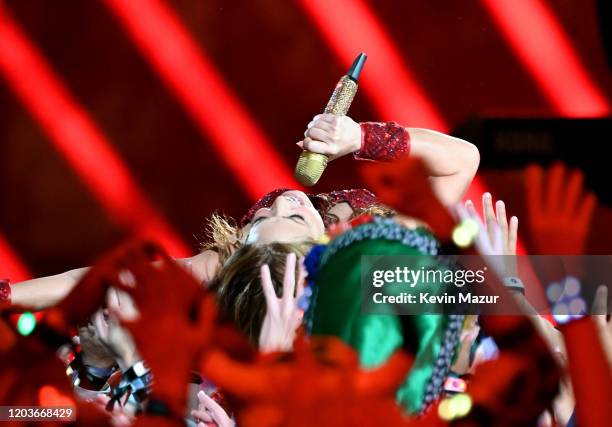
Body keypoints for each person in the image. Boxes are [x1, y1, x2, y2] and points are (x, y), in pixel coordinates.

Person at [5, 114, 479, 312]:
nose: (282, 200)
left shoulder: (225, 268)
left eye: (257, 218)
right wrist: (361, 140)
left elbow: (91, 282)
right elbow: (463, 160)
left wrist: (6, 294)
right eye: (291, 217)